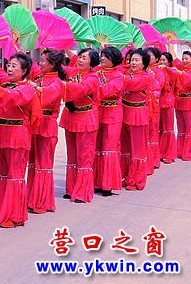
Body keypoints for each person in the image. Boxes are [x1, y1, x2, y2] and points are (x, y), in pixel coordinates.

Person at [0, 52, 38, 228]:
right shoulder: (5, 82)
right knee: (3, 174)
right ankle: (0, 211)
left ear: (25, 70)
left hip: (18, 135)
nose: (10, 68)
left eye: (14, 66)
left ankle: (13, 215)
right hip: (2, 133)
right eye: (9, 65)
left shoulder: (28, 88)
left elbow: (11, 97)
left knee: (15, 175)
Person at [60, 48, 100, 203]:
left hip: (85, 118)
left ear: (92, 63)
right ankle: (71, 189)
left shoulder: (93, 78)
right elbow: (58, 67)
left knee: (85, 155)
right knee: (72, 155)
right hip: (71, 116)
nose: (81, 60)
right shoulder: (73, 72)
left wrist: (63, 86)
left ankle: (83, 192)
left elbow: (81, 89)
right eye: (80, 57)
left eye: (85, 58)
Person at [28, 49, 65, 214]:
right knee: (33, 162)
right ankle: (31, 197)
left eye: (43, 61)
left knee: (43, 164)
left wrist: (32, 87)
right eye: (40, 60)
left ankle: (42, 201)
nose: (40, 63)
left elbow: (45, 95)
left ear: (53, 64)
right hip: (35, 124)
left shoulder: (56, 82)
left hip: (47, 126)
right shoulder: (40, 77)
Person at [94, 46, 125, 196]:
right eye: (102, 55)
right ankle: (96, 182)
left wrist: (93, 86)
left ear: (113, 59)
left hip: (112, 114)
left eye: (106, 56)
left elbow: (108, 91)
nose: (102, 58)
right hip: (97, 113)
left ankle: (107, 184)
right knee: (96, 147)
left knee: (108, 148)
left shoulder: (119, 76)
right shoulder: (96, 72)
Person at [121, 49, 152, 190]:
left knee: (138, 148)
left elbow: (130, 84)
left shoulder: (146, 77)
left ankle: (137, 179)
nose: (133, 62)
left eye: (137, 60)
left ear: (144, 63)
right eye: (131, 60)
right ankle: (127, 176)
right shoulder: (127, 74)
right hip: (125, 111)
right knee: (126, 147)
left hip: (138, 113)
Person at [146, 47, 165, 174]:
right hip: (143, 104)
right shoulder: (143, 70)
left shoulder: (159, 71)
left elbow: (159, 86)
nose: (148, 58)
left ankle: (153, 160)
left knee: (153, 131)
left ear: (157, 58)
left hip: (153, 104)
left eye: (151, 56)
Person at [158, 52, 178, 164]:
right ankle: (161, 152)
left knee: (168, 128)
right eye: (160, 60)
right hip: (158, 101)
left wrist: (165, 68)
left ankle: (170, 154)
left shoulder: (172, 71)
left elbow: (174, 73)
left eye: (164, 60)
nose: (162, 62)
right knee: (160, 128)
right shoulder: (157, 71)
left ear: (169, 62)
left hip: (168, 101)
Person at [175, 50, 191, 161]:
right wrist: (169, 44)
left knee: (189, 127)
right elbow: (175, 59)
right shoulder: (180, 68)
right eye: (183, 58)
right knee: (181, 127)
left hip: (188, 100)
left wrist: (180, 73)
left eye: (187, 58)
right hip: (179, 100)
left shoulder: (185, 71)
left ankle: (187, 152)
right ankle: (180, 151)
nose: (184, 60)